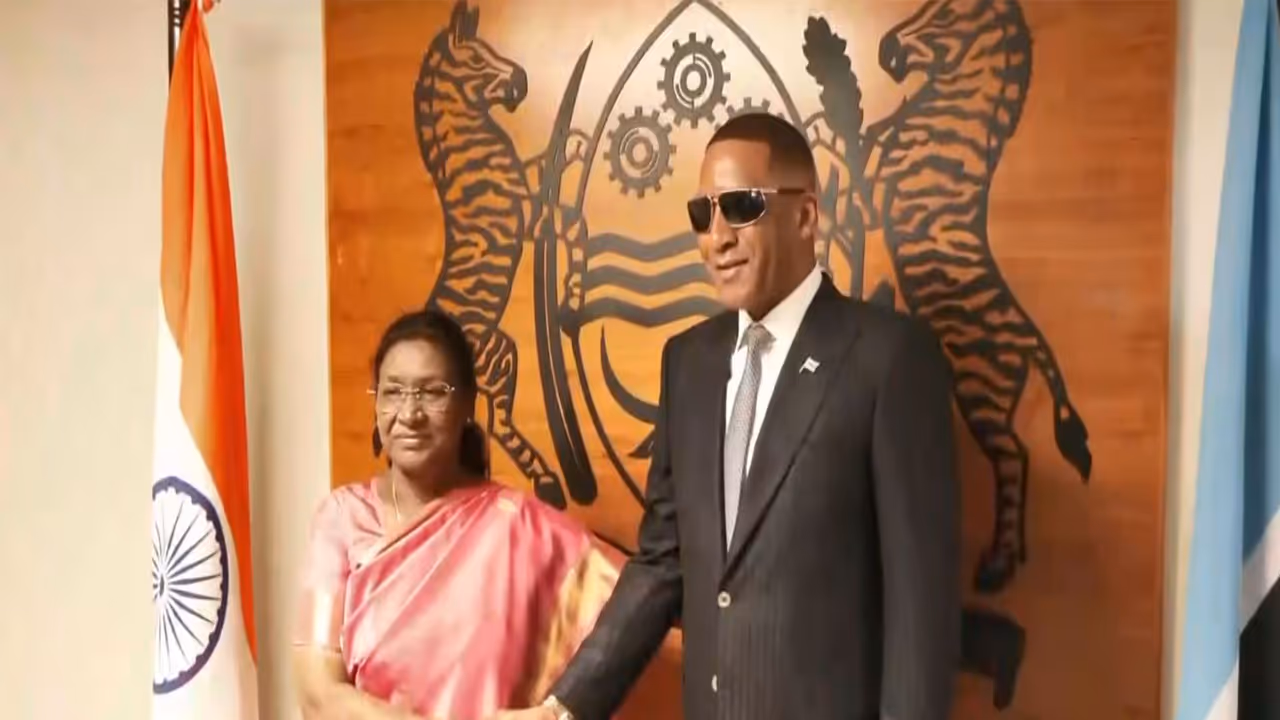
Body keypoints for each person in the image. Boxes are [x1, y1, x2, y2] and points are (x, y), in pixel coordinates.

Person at [496, 113, 961, 720]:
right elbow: (664, 562)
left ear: (805, 215)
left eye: (740, 206)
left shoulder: (888, 359)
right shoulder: (688, 362)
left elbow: (919, 606)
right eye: (702, 213)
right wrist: (563, 708)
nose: (716, 236)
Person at [292, 308, 620, 720]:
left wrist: (555, 713)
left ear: (468, 404)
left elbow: (631, 617)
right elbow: (317, 693)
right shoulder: (341, 518)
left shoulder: (520, 528)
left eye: (432, 392)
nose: (409, 414)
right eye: (393, 392)